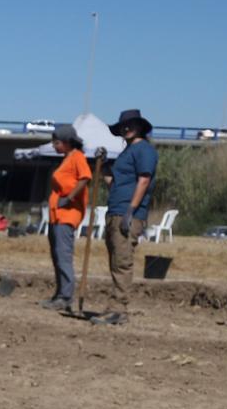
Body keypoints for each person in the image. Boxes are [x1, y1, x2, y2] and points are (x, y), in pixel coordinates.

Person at [98, 108, 158, 324]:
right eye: (123, 125)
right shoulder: (126, 152)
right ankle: (114, 306)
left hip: (127, 214)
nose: (126, 128)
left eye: (131, 124)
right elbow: (115, 184)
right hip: (115, 211)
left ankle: (119, 309)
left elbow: (144, 180)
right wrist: (105, 167)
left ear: (140, 126)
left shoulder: (144, 150)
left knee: (122, 262)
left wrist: (131, 211)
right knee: (115, 261)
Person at [42, 122, 91, 310]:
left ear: (67, 142)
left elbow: (85, 177)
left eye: (56, 142)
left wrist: (69, 198)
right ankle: (59, 294)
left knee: (63, 256)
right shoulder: (67, 158)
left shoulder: (77, 157)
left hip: (67, 215)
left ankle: (65, 296)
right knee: (57, 256)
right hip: (57, 215)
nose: (54, 146)